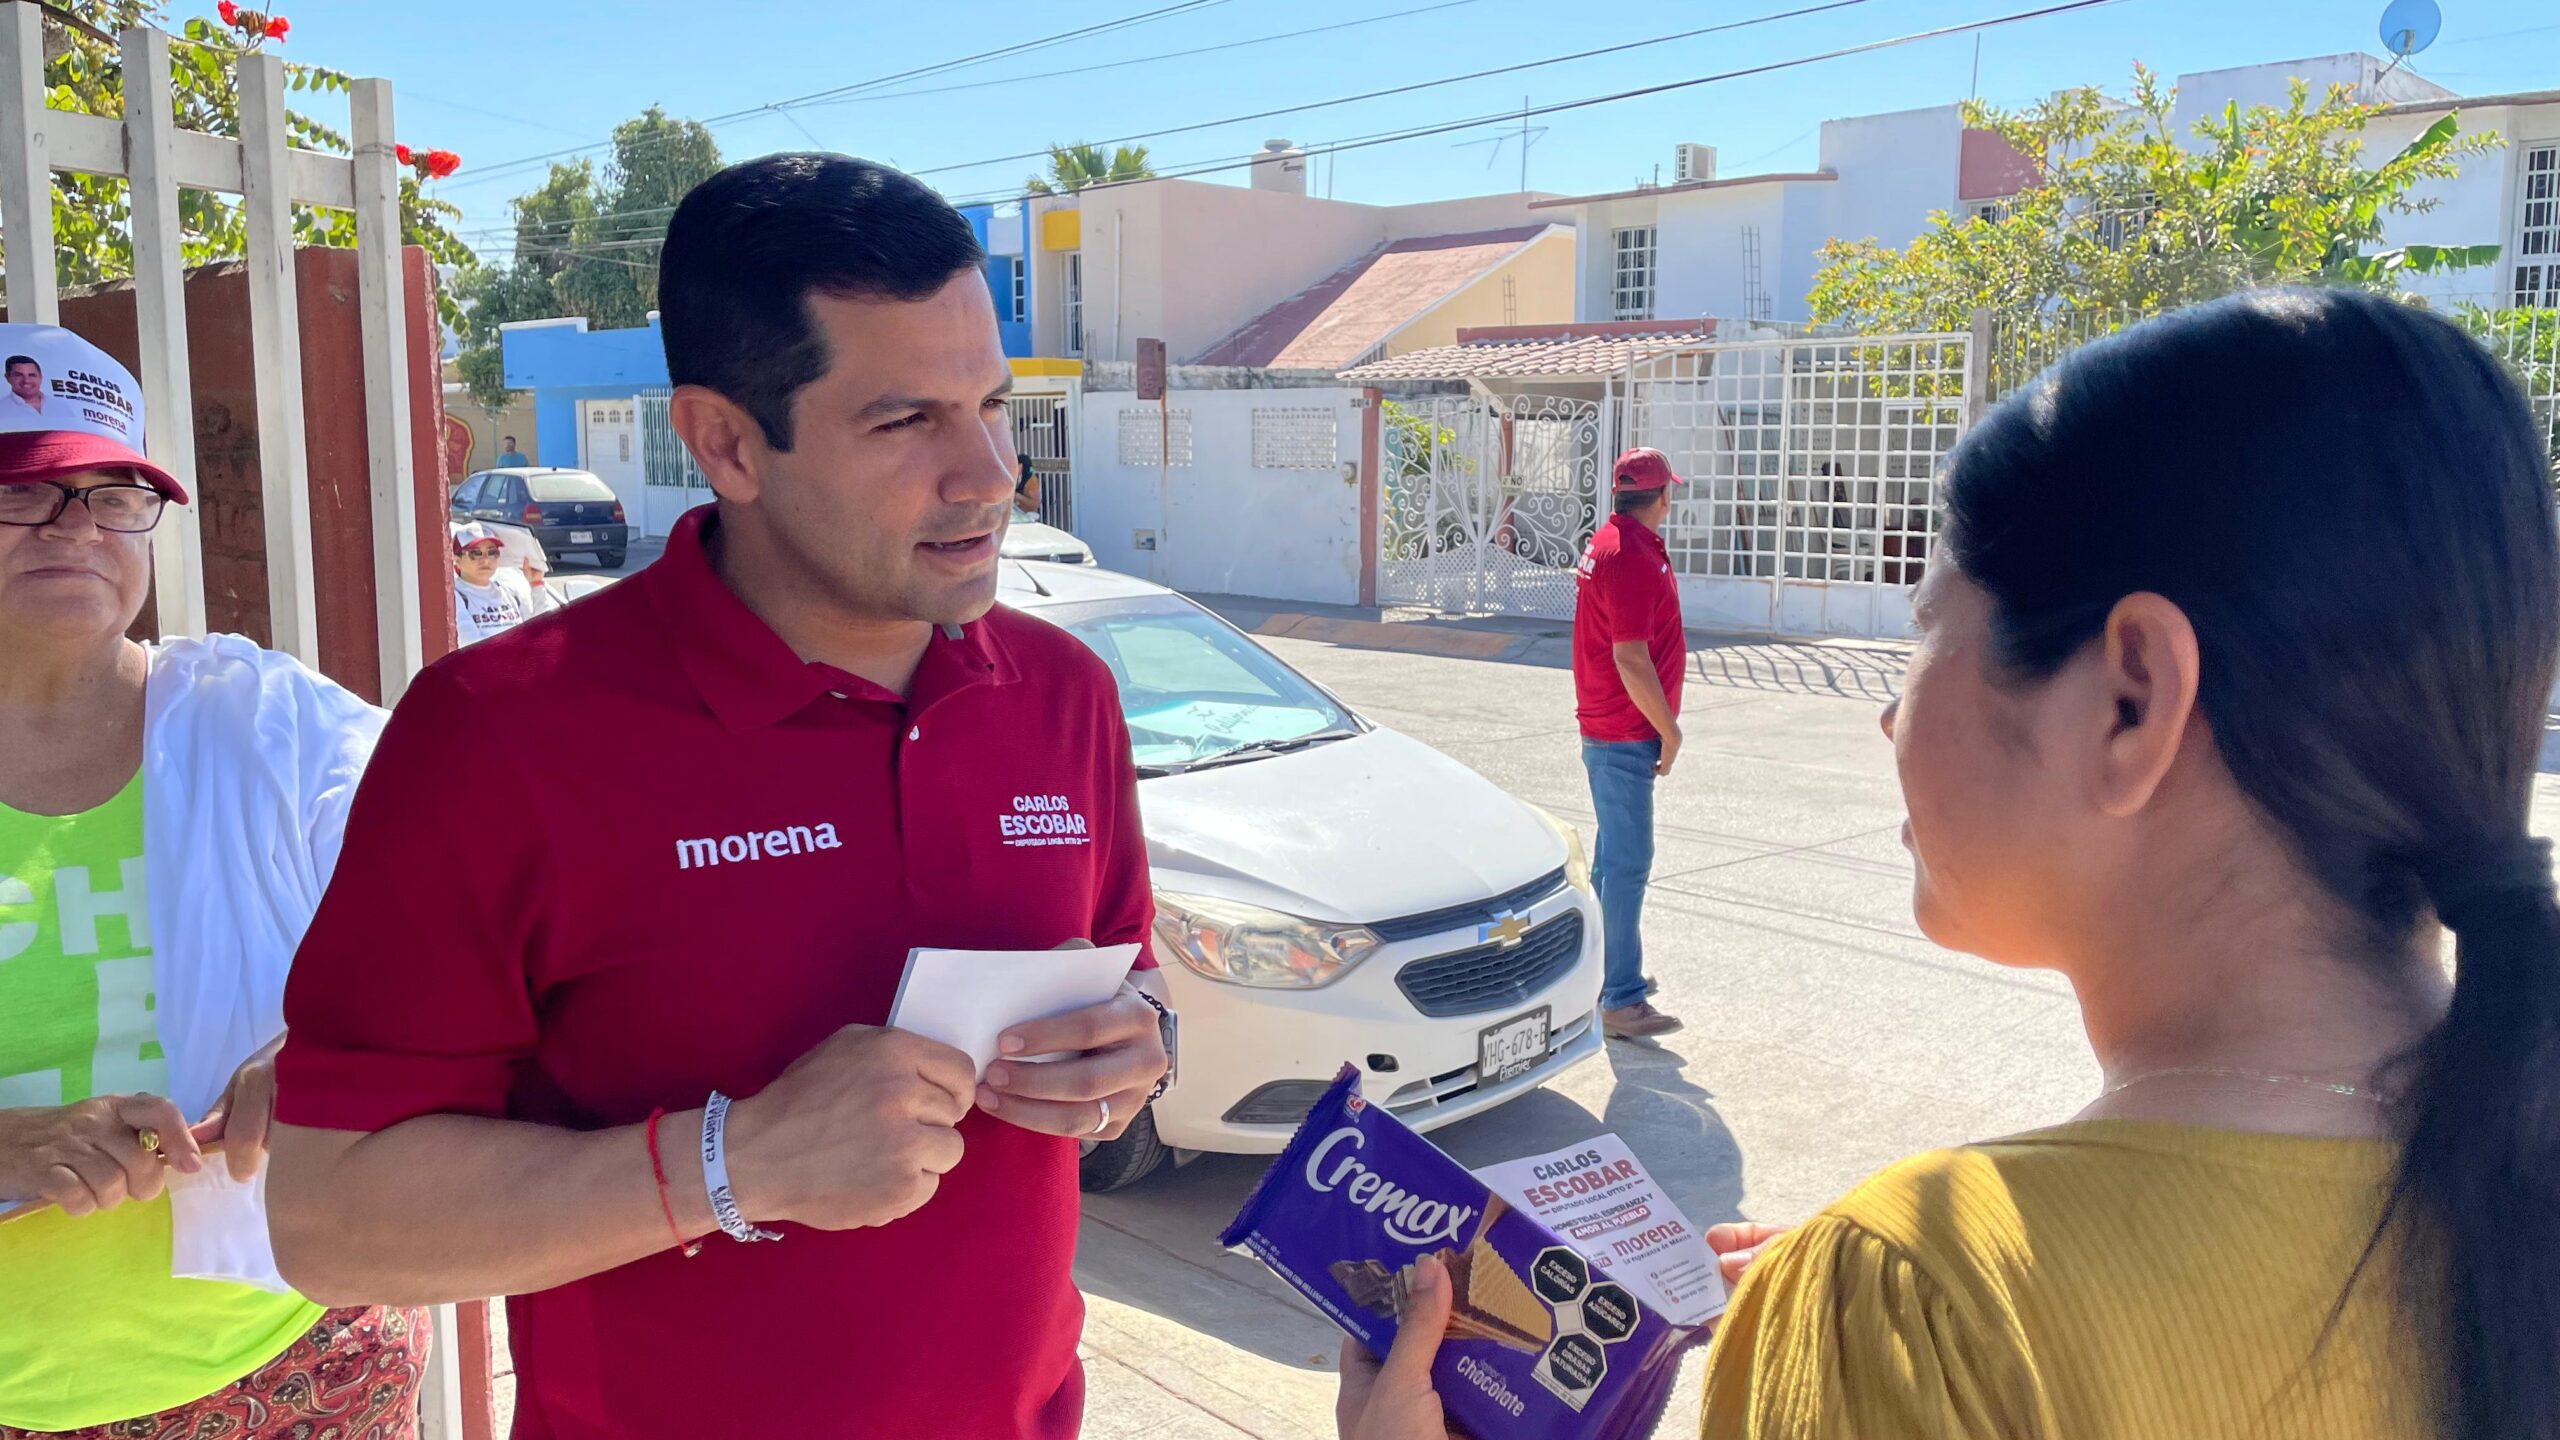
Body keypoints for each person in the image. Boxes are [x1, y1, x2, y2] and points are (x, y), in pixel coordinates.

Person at [1339, 287, 2560, 1440]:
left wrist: (1893, 1311)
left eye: (1929, 627)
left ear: (2131, 700)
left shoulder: (1918, 1302)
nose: (1890, 718)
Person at [265, 154, 1171, 1440]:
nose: (988, 473)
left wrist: (1136, 1053)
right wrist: (735, 1163)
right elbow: (330, 1222)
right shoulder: (505, 734)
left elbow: (1130, 988)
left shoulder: (1061, 693)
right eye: (904, 419)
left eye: (991, 402)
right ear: (725, 441)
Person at [0, 323, 423, 1438]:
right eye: (22, 492)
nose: (73, 527)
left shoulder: (262, 722)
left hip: (295, 1361)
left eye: (109, 495)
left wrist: (339, 1038)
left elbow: (476, 891)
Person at [1573, 447, 1687, 1040]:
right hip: (1623, 732)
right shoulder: (1630, 557)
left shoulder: (1610, 544)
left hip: (1611, 728)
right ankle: (1619, 998)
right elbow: (1630, 657)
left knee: (1610, 866)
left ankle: (1599, 975)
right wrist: (1670, 730)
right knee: (1627, 865)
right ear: (1662, 496)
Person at [448, 519, 561, 645]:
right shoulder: (454, 597)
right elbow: (471, 646)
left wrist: (536, 584)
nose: (486, 561)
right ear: (456, 559)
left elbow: (541, 629)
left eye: (492, 552)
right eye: (475, 553)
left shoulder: (509, 592)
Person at [1015, 456, 1043, 521]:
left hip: (1030, 517)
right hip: (1021, 515)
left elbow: (1035, 503)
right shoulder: (1021, 478)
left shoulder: (1032, 480)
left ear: (1021, 466)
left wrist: (1019, 497)